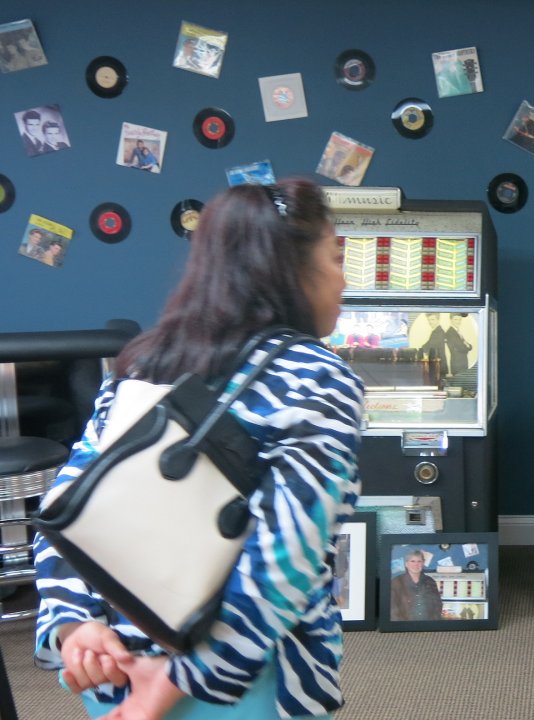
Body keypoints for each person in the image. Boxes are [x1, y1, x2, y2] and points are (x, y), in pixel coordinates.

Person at [33, 179, 364, 718]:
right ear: (290, 267)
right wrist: (176, 681)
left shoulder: (143, 361)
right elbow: (287, 554)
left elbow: (68, 503)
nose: (343, 279)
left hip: (115, 664)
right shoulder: (316, 376)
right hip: (247, 681)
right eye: (335, 258)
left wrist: (74, 625)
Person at [389, 549, 442, 622]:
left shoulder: (430, 581)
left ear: (423, 563)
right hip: (405, 626)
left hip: (427, 625)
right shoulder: (396, 582)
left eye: (419, 561)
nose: (416, 564)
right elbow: (392, 609)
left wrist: (433, 624)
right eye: (412, 561)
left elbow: (438, 605)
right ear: (406, 564)